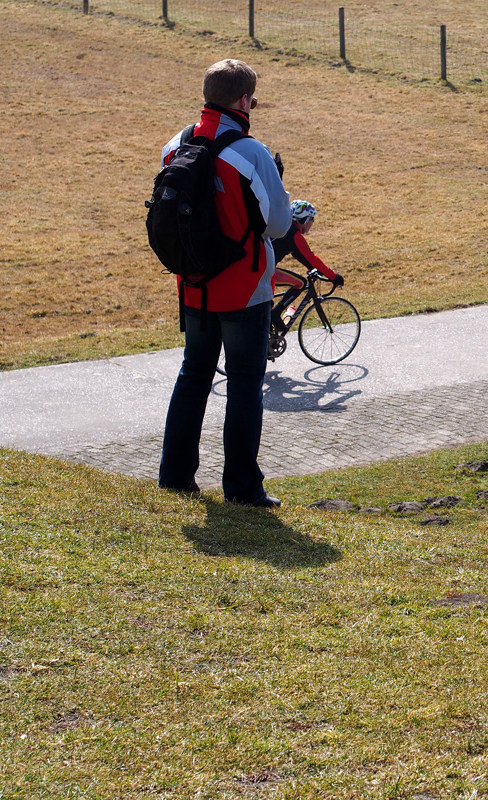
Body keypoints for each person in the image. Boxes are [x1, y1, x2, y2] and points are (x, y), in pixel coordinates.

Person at [158, 59, 292, 507]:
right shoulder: (251, 152)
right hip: (244, 288)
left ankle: (174, 477)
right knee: (244, 384)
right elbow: (277, 225)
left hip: (194, 285)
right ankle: (241, 487)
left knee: (193, 376)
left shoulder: (176, 145)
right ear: (244, 100)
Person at [270, 200, 344, 330]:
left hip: (258, 267)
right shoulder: (294, 235)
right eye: (312, 220)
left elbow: (304, 259)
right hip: (264, 270)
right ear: (305, 220)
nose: (312, 223)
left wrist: (315, 269)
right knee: (300, 283)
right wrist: (333, 276)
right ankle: (275, 314)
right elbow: (311, 259)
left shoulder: (284, 226)